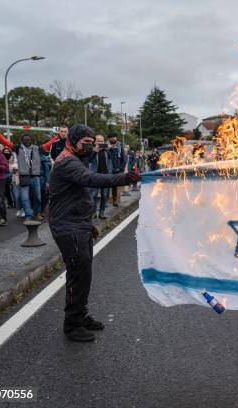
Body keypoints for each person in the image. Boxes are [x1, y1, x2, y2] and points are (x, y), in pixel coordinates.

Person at [49, 124, 140, 342]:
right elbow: (91, 180)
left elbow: (77, 195)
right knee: (78, 275)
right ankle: (72, 325)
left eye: (93, 144)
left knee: (84, 273)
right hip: (67, 226)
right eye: (86, 144)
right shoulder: (67, 161)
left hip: (78, 223)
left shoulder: (76, 158)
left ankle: (81, 315)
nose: (90, 148)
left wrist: (88, 224)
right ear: (73, 141)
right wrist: (125, 178)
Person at [0, 131, 58, 221]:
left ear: (31, 140)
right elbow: (6, 142)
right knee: (25, 198)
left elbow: (49, 144)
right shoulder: (18, 148)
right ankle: (28, 215)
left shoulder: (37, 148)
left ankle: (37, 213)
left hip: (35, 177)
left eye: (28, 139)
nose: (27, 141)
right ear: (22, 141)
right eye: (25, 139)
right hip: (24, 176)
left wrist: (58, 136)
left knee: (38, 197)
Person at [89, 135, 112, 219]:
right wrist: (95, 151)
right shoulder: (92, 150)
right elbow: (89, 160)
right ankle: (93, 213)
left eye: (102, 141)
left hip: (105, 176)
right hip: (95, 176)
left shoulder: (106, 150)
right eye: (98, 141)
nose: (100, 143)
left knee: (104, 195)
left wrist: (109, 149)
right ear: (95, 142)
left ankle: (102, 213)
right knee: (93, 195)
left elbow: (110, 159)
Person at [106, 133, 126, 207]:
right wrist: (109, 148)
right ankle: (106, 200)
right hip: (107, 169)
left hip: (117, 169)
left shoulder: (120, 145)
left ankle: (115, 200)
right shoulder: (105, 146)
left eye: (114, 137)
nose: (113, 138)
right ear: (108, 139)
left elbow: (123, 158)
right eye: (111, 137)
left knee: (115, 185)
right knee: (106, 185)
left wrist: (121, 169)